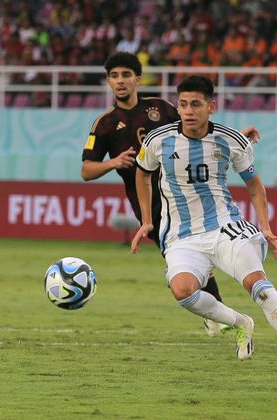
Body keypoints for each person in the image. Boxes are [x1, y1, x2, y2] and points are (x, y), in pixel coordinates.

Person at [131, 76, 277, 371]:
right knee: (183, 291)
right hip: (181, 236)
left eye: (196, 104)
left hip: (225, 227)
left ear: (211, 106)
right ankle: (241, 323)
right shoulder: (158, 140)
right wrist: (146, 221)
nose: (188, 111)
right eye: (183, 104)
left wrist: (266, 226)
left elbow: (256, 187)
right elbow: (142, 174)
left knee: (258, 285)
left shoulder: (229, 140)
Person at [82, 52, 258, 337]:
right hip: (148, 205)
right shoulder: (104, 124)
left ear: (137, 79)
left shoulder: (161, 108)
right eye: (114, 76)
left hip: (184, 196)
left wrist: (236, 136)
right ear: (108, 81)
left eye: (126, 75)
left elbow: (198, 127)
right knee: (186, 264)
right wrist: (113, 162)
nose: (120, 81)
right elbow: (86, 170)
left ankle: (221, 315)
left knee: (194, 261)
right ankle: (219, 315)